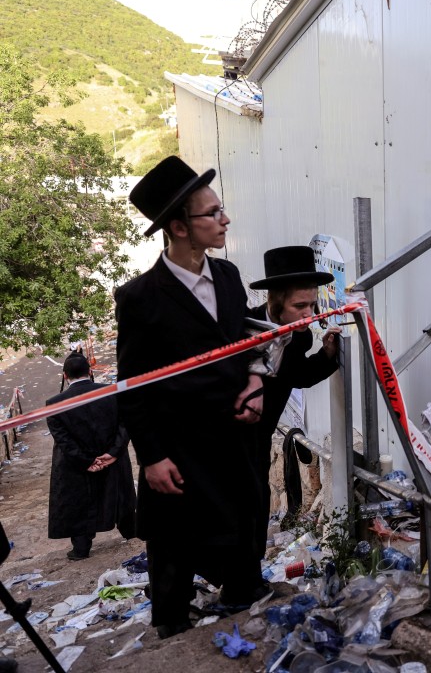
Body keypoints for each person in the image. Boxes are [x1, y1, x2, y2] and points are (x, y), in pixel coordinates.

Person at [115, 156, 267, 639]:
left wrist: (256, 381)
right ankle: (173, 626)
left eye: (222, 209)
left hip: (231, 434)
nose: (225, 219)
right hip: (178, 445)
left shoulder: (228, 276)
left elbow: (247, 341)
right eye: (213, 213)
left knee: (242, 522)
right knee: (173, 539)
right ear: (179, 228)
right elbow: (131, 387)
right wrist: (151, 457)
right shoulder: (141, 297)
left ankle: (243, 598)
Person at [249, 246, 340, 558]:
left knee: (255, 505)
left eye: (312, 305)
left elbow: (297, 375)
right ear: (275, 302)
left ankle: (250, 573)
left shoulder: (301, 336)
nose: (309, 314)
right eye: (300, 306)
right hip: (220, 435)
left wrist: (327, 354)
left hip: (259, 438)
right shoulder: (242, 329)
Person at [45, 353, 135, 561]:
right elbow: (125, 424)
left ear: (65, 375)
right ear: (90, 371)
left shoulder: (54, 404)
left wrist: (86, 461)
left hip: (77, 466)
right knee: (120, 497)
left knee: (80, 503)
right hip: (113, 460)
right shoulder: (112, 392)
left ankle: (81, 549)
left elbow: (63, 440)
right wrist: (113, 453)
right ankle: (131, 533)